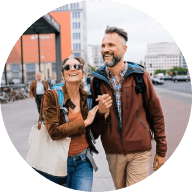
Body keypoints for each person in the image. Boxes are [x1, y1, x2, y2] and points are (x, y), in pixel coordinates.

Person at [90, 27, 167, 189]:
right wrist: (102, 113)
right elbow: (94, 130)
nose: (105, 49)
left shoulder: (140, 76)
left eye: (111, 45)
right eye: (103, 46)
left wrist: (161, 150)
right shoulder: (96, 81)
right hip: (113, 152)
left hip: (140, 150)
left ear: (124, 49)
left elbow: (156, 113)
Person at [42, 57, 112, 191]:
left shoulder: (89, 98)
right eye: (67, 67)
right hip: (58, 163)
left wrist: (103, 114)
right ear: (63, 75)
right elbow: (54, 132)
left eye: (77, 66)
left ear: (82, 74)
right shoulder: (52, 96)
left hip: (83, 162)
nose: (72, 69)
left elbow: (93, 134)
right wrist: (85, 122)